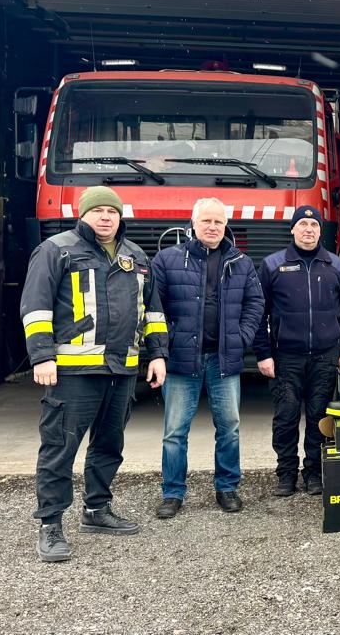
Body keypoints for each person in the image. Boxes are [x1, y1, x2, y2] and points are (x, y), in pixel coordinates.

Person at [21, 186, 168, 562]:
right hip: (73, 372)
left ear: (121, 217)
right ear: (83, 214)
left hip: (122, 370)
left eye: (112, 211)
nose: (106, 217)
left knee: (109, 444)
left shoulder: (134, 255)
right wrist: (41, 357)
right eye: (98, 211)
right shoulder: (56, 250)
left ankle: (96, 510)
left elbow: (151, 311)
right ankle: (50, 524)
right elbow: (36, 307)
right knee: (60, 447)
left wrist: (157, 355)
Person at [151, 198, 264, 519]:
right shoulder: (167, 259)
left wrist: (241, 338)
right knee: (175, 431)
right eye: (206, 221)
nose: (212, 227)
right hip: (181, 361)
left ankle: (227, 488)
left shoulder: (241, 261)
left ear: (225, 224)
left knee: (229, 427)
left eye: (218, 221)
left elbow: (255, 304)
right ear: (193, 224)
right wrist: (164, 345)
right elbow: (154, 308)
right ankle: (172, 493)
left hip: (223, 361)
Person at [254, 206, 340, 496]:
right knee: (286, 417)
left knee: (319, 417)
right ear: (292, 229)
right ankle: (286, 474)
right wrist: (263, 353)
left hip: (326, 357)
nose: (308, 230)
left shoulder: (336, 266)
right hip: (286, 358)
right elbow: (257, 313)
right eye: (302, 224)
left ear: (319, 231)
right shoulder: (273, 265)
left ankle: (314, 472)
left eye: (313, 225)